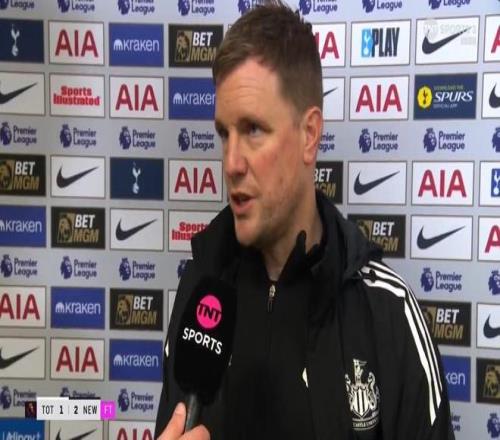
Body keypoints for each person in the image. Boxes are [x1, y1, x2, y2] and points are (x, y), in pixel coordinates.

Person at [155, 1, 454, 439]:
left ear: (309, 135)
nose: (231, 162)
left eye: (253, 129)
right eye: (224, 133)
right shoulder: (202, 292)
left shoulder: (386, 312)